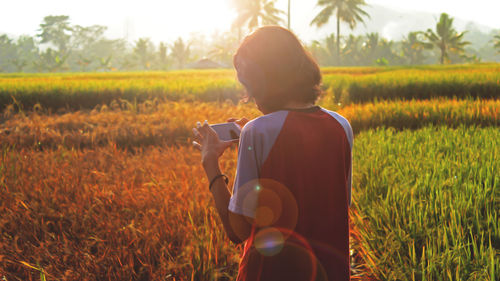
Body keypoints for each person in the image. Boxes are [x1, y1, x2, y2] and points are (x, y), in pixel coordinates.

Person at [192, 26, 353, 281]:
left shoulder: (257, 132)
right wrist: (256, 139)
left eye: (249, 85)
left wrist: (210, 162)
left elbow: (239, 231)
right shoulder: (341, 126)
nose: (250, 97)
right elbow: (337, 204)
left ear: (263, 81)